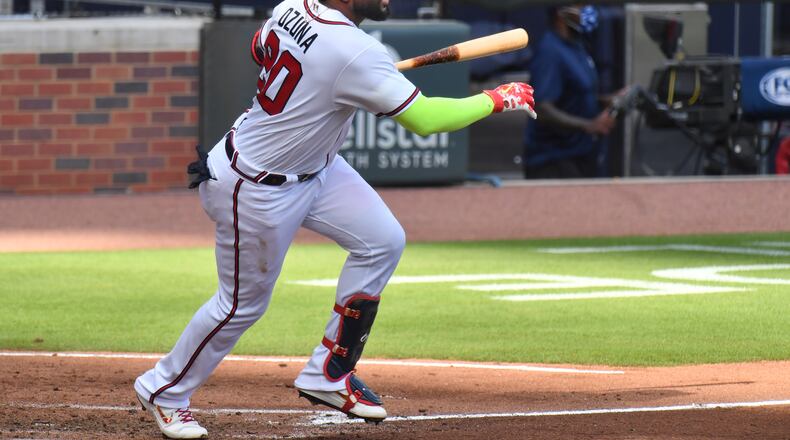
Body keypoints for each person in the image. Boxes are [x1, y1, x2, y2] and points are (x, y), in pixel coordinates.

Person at [133, 0, 537, 437]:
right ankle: (164, 389)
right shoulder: (355, 51)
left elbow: (259, 49)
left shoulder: (292, 7)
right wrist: (495, 99)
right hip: (255, 186)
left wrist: (324, 79)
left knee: (382, 241)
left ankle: (328, 373)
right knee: (240, 305)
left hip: (316, 168)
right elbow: (425, 119)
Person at [523, 5, 616, 179]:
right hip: (553, 161)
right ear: (561, 14)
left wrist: (605, 100)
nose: (586, 10)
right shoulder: (550, 52)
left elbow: (575, 93)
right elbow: (541, 108)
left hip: (579, 155)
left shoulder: (576, 45)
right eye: (579, 6)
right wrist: (588, 125)